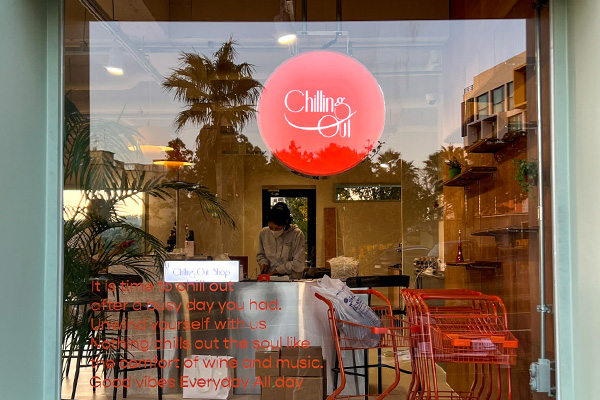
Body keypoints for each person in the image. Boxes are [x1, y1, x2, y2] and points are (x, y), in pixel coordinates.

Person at [256, 202, 306, 279]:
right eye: (271, 228)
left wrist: (280, 270)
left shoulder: (296, 234)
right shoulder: (264, 233)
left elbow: (299, 263)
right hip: (269, 279)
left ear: (286, 224)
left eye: (277, 228)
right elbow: (260, 255)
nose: (274, 231)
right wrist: (263, 263)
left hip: (291, 279)